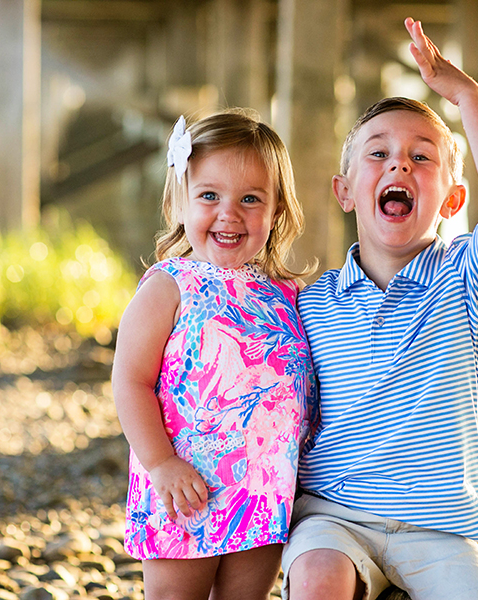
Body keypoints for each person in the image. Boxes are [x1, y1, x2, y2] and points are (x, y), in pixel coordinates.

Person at [283, 17, 478, 600]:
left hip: (441, 529)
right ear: (345, 192)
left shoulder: (465, 280)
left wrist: (467, 95)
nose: (399, 166)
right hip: (334, 517)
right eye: (379, 154)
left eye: (422, 158)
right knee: (317, 577)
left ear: (451, 199)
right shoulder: (311, 300)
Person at [112, 108, 317, 600]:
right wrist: (160, 463)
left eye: (251, 199)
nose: (229, 213)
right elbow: (130, 381)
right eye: (209, 196)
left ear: (277, 212)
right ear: (178, 203)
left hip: (265, 491)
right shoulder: (169, 286)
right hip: (184, 487)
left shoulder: (285, 294)